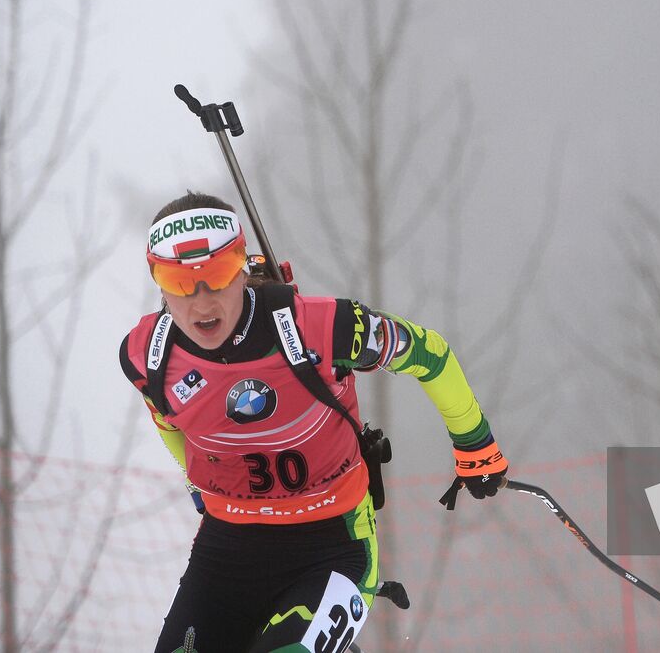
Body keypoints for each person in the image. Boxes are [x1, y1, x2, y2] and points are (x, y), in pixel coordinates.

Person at [119, 191, 508, 653]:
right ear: (156, 280)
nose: (201, 302)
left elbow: (429, 354)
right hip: (227, 550)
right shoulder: (146, 356)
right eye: (180, 282)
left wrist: (474, 444)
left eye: (217, 275)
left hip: (332, 542)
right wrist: (199, 484)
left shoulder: (325, 328)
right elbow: (168, 421)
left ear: (244, 266)